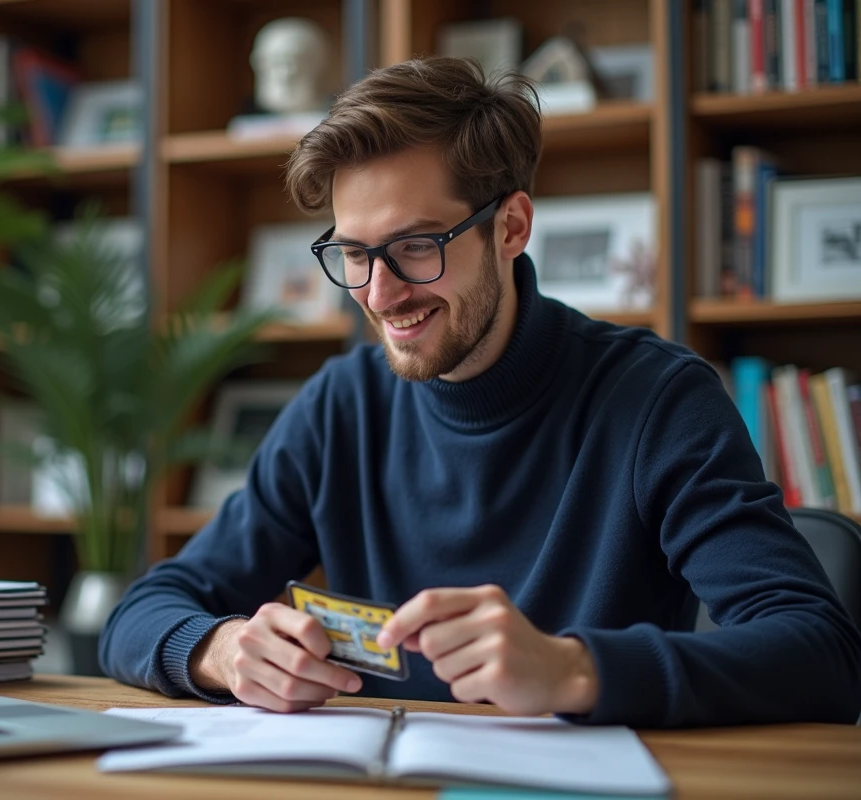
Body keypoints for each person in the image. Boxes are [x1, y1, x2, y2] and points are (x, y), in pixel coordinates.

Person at [99, 57, 861, 728]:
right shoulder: (341, 406)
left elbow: (819, 650)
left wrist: (571, 669)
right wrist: (219, 649)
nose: (379, 292)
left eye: (415, 246)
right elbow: (140, 613)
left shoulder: (658, 400)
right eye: (353, 254)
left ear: (511, 227)